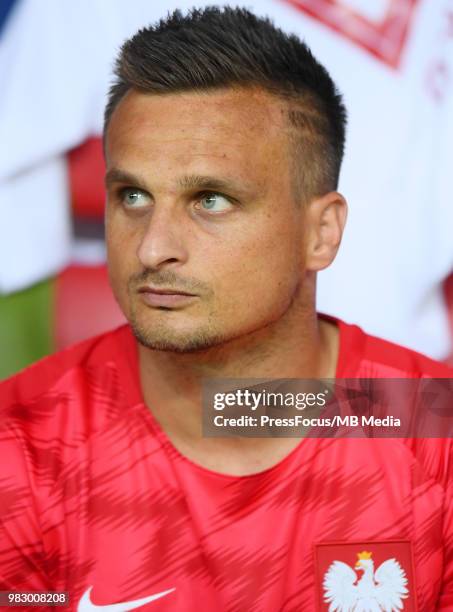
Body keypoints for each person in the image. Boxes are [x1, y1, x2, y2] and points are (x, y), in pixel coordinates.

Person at [1, 7, 452, 611]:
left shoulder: (432, 428)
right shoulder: (20, 442)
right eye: (132, 195)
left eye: (210, 200)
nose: (153, 248)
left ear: (321, 233)